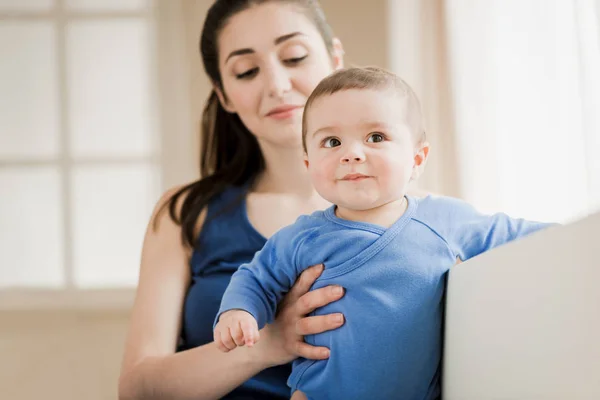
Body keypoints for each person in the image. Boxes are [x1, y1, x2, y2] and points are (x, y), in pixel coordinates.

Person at [118, 1, 425, 399]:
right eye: (246, 71)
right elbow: (137, 389)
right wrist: (268, 343)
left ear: (335, 58)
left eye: (294, 57)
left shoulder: (421, 218)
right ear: (223, 94)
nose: (276, 84)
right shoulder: (183, 214)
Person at [213, 66, 552, 400]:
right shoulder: (302, 237)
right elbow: (256, 278)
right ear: (309, 165)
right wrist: (238, 312)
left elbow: (520, 233)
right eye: (332, 142)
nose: (352, 154)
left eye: (376, 137)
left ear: (417, 158)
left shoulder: (446, 220)